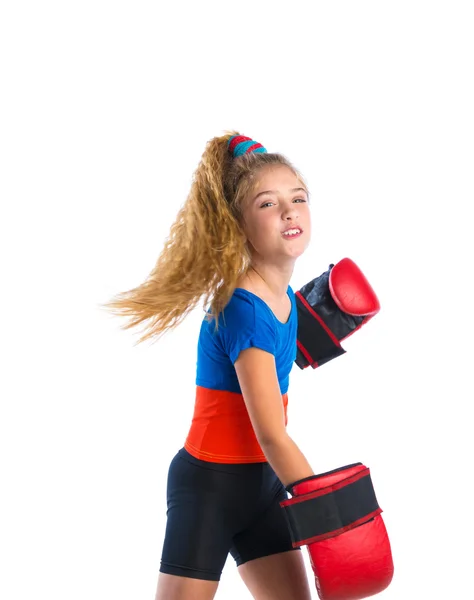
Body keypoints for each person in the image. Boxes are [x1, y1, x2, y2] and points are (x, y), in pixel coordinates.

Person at [102, 131, 315, 599]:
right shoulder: (244, 306)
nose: (288, 211)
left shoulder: (283, 299)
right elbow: (271, 432)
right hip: (211, 488)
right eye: (267, 204)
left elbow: (278, 362)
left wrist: (330, 323)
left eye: (297, 198)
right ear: (238, 224)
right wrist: (329, 511)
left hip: (264, 485)